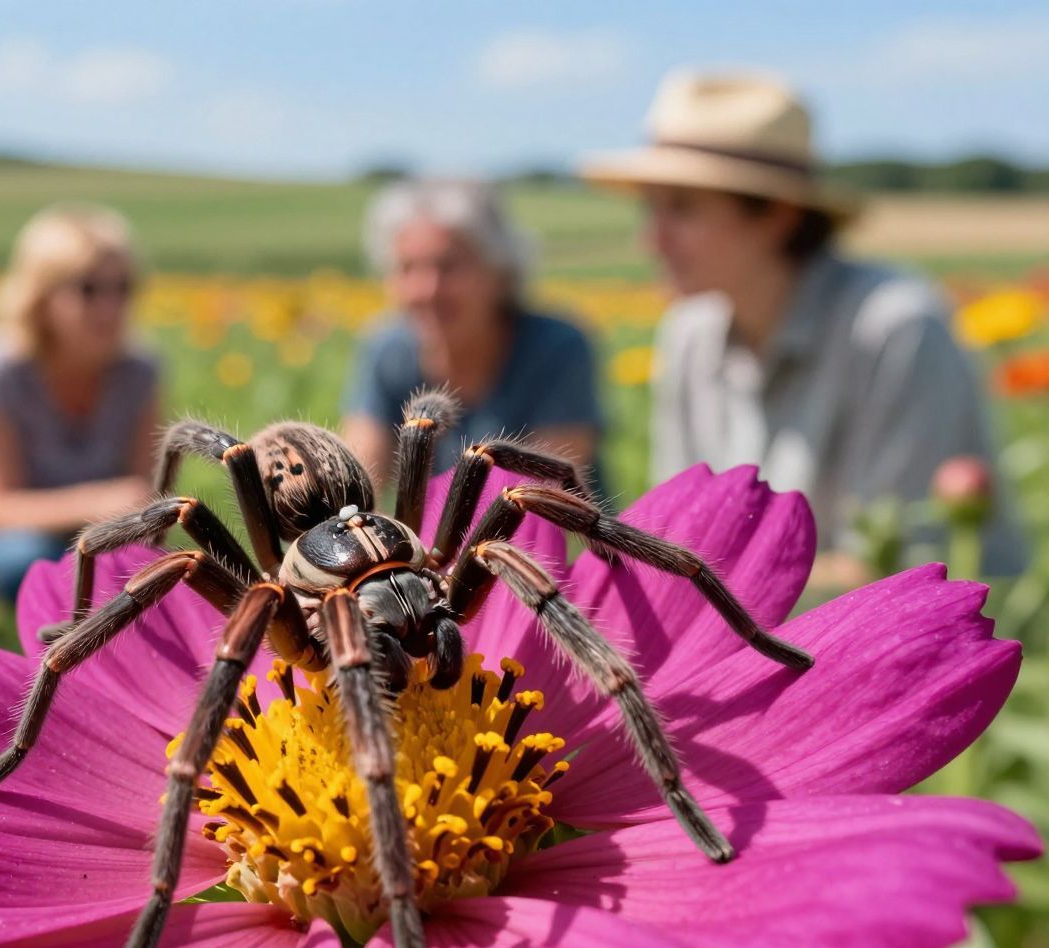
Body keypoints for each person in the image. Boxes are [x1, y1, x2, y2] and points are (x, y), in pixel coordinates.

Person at [581, 70, 1027, 584]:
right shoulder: (688, 332)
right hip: (750, 631)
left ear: (776, 214)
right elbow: (678, 535)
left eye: (682, 209)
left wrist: (694, 590)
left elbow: (896, 568)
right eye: (650, 208)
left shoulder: (895, 329)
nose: (651, 241)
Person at [0, 204, 158, 597]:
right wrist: (96, 503)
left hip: (92, 538)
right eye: (88, 289)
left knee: (146, 566)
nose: (109, 306)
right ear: (41, 293)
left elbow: (145, 497)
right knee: (36, 559)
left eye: (123, 288)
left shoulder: (139, 372)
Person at [341, 178, 604, 492]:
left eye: (448, 266)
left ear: (500, 272)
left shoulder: (558, 348)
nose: (426, 290)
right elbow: (355, 482)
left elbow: (541, 498)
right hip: (433, 538)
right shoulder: (387, 350)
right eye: (407, 268)